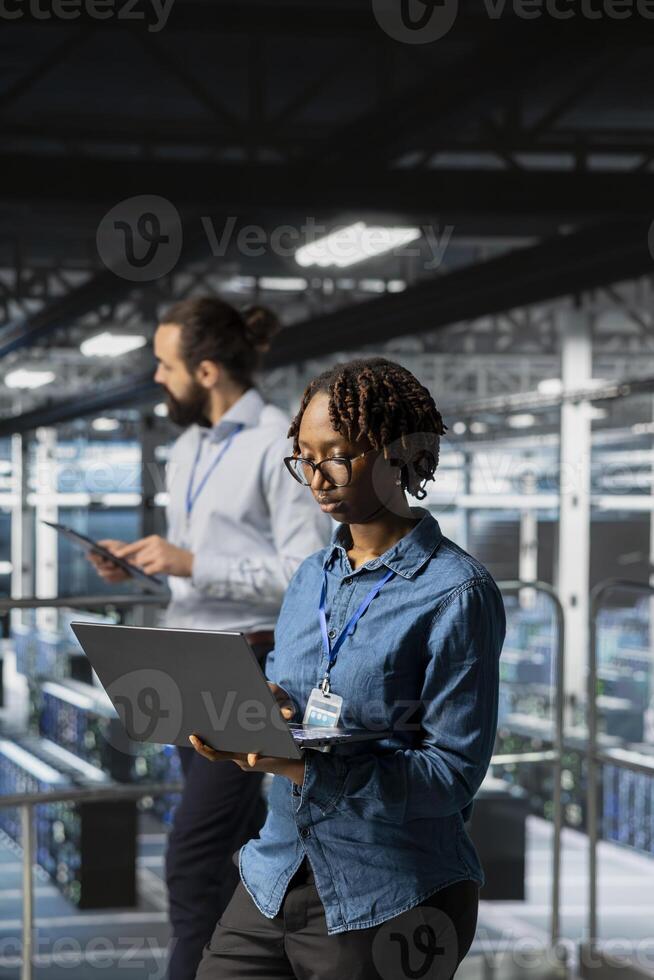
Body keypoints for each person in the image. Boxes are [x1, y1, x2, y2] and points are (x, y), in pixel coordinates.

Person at [188, 356, 506, 980]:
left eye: (335, 456)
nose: (317, 477)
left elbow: (451, 776)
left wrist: (302, 766)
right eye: (304, 459)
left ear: (397, 455)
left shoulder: (456, 592)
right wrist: (265, 710)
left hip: (392, 890)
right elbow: (298, 700)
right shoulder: (310, 577)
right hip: (277, 869)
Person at [87, 296, 332, 980]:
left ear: (205, 370)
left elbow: (304, 569)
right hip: (188, 659)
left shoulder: (278, 444)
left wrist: (193, 562)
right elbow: (196, 564)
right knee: (232, 852)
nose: (156, 377)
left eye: (165, 365)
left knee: (191, 857)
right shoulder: (189, 447)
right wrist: (144, 564)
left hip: (248, 664)